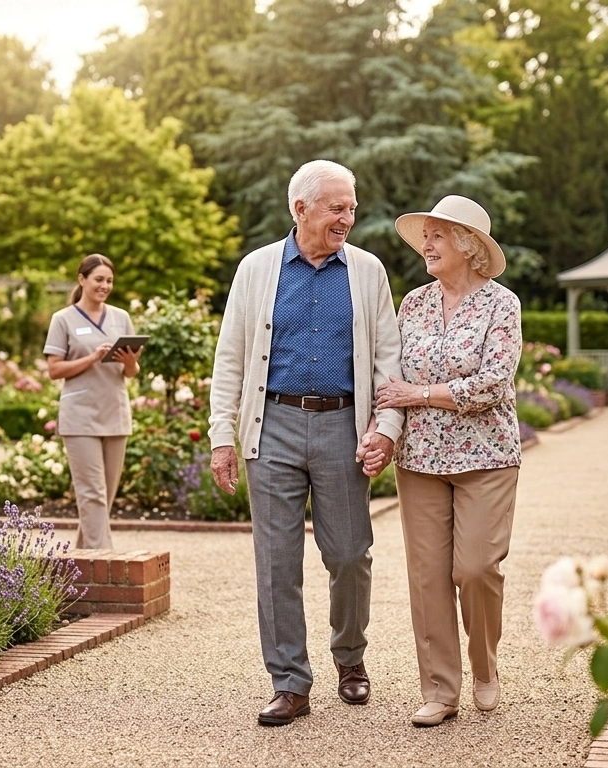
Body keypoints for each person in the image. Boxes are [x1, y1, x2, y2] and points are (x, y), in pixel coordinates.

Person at [209, 159, 403, 727]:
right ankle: (290, 683)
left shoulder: (367, 272)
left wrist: (385, 432)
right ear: (301, 209)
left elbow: (388, 361)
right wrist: (224, 437)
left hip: (345, 427)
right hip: (273, 428)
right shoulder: (257, 269)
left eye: (351, 207)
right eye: (337, 207)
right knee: (276, 563)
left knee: (348, 555)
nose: (348, 217)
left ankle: (350, 659)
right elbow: (230, 360)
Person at [372, 195, 522, 727]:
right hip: (419, 458)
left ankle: (485, 667)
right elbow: (387, 377)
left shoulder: (502, 304)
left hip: (487, 455)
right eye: (426, 237)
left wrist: (419, 394)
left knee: (476, 569)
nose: (426, 246)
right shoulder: (412, 303)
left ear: (467, 244)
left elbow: (492, 383)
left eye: (437, 236)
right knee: (428, 575)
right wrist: (382, 430)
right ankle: (439, 690)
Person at [44, 254, 142, 550]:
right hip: (80, 418)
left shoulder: (121, 317)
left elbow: (131, 372)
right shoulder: (63, 319)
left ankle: (82, 561)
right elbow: (53, 370)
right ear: (82, 279)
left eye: (109, 280)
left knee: (105, 498)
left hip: (115, 414)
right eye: (99, 279)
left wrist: (129, 362)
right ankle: (107, 561)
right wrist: (92, 358)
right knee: (92, 495)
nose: (105, 286)